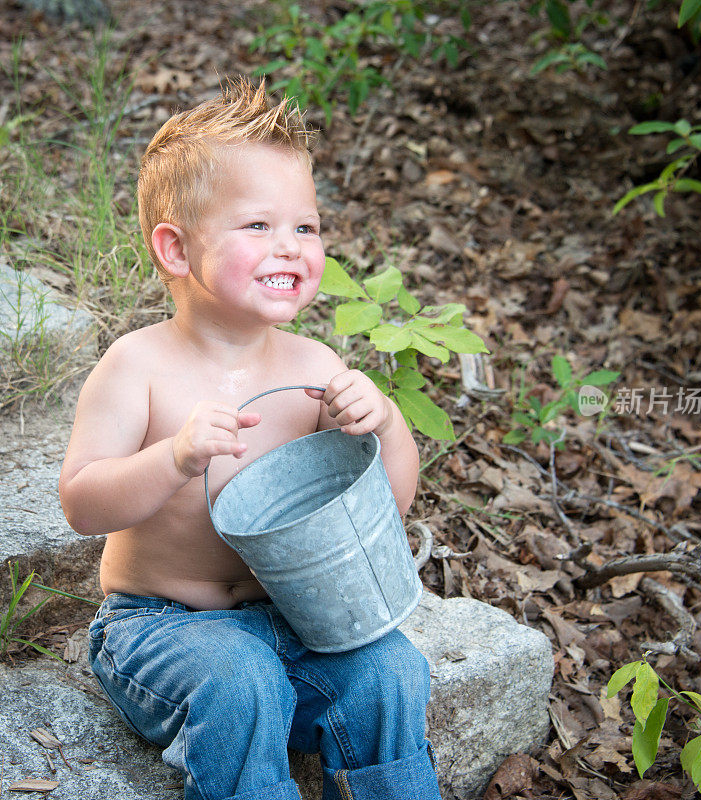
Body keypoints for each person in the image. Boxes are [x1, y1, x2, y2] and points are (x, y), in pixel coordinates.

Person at [59, 77, 441, 800]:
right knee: (243, 681)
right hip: (161, 629)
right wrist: (172, 458)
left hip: (296, 619)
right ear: (175, 249)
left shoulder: (312, 369)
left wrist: (385, 423)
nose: (291, 247)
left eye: (307, 227)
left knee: (393, 671)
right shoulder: (137, 367)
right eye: (258, 226)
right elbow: (82, 503)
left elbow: (385, 506)